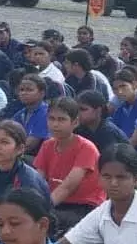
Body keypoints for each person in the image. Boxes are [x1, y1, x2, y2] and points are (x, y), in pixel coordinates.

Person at [34, 96, 106, 231]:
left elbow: (67, 187)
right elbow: (38, 182)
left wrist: (39, 210)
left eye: (61, 119)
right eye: (51, 119)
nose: (55, 124)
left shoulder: (86, 148)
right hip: (56, 203)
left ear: (75, 122)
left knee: (41, 222)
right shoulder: (47, 145)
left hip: (84, 207)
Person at [76, 90, 128, 154]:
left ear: (98, 110)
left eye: (83, 109)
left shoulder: (108, 132)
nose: (78, 113)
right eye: (77, 109)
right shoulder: (80, 129)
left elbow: (108, 160)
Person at [12, 73, 51, 154]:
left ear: (42, 93)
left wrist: (7, 153)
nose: (24, 93)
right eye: (21, 90)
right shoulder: (21, 114)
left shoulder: (46, 113)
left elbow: (30, 145)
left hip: (38, 157)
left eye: (29, 90)